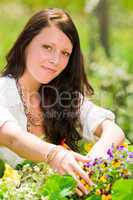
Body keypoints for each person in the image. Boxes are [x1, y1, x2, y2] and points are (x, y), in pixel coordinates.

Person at [0, 8, 124, 196]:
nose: (55, 60)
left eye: (65, 53)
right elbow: (11, 137)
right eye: (47, 47)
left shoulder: (62, 96)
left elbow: (113, 130)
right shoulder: (2, 91)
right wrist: (56, 155)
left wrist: (91, 163)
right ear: (26, 43)